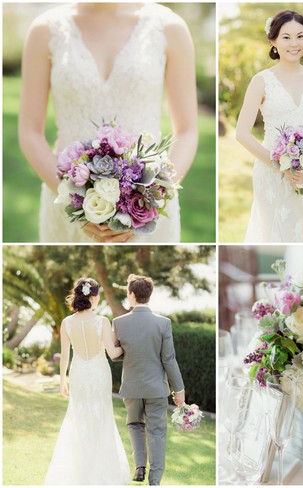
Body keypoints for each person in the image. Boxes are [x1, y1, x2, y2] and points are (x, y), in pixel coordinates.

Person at [19, 3, 197, 242]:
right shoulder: (45, 30)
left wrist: (150, 201)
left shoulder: (169, 27)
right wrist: (75, 203)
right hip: (63, 199)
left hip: (147, 208)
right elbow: (30, 132)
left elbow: (187, 131)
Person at [236, 10, 303, 243]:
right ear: (274, 41)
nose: (294, 43)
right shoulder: (261, 81)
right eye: (286, 37)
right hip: (271, 173)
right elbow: (241, 134)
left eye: (300, 36)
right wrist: (280, 166)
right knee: (274, 237)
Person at [44, 278, 130, 485]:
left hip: (79, 373)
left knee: (79, 416)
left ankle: (80, 470)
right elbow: (112, 352)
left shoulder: (67, 323)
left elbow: (64, 356)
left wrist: (62, 382)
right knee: (101, 417)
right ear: (92, 297)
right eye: (98, 294)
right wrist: (127, 346)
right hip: (99, 372)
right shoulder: (102, 321)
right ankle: (100, 471)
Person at [113, 275, 185, 485]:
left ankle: (140, 467)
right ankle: (154, 481)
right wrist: (178, 389)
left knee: (135, 424)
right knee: (157, 433)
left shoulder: (118, 322)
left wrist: (129, 351)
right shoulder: (163, 323)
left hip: (132, 387)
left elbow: (115, 355)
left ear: (132, 294)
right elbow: (169, 359)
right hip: (156, 388)